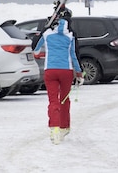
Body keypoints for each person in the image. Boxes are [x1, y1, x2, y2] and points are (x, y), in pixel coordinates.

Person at [33, 7, 83, 145]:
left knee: (53, 100)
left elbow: (35, 49)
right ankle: (64, 127)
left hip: (50, 70)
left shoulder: (47, 33)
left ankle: (54, 128)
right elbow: (74, 55)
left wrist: (42, 32)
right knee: (64, 99)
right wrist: (79, 72)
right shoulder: (70, 35)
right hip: (66, 71)